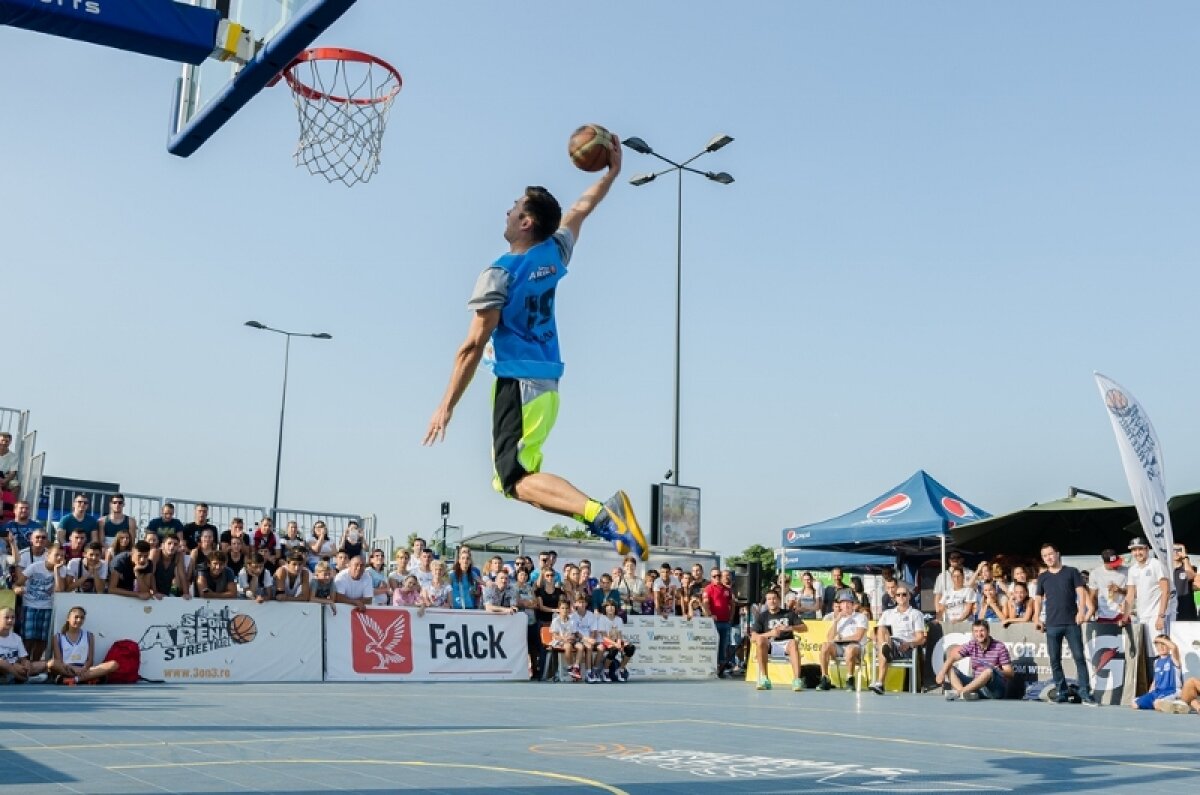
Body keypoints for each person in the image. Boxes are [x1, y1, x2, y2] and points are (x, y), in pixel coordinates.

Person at [422, 143, 651, 562]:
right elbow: (582, 210)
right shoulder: (554, 252)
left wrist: (445, 405)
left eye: (513, 208)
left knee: (513, 480)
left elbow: (472, 345)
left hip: (519, 383)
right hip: (545, 384)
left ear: (526, 221)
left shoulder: (499, 274)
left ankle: (604, 514)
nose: (506, 212)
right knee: (516, 482)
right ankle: (599, 519)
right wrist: (610, 175)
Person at [1034, 542, 1097, 706]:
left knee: (1079, 658)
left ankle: (1085, 693)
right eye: (1044, 556)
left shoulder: (1072, 572)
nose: (1048, 558)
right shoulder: (1043, 577)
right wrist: (1035, 617)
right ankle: (1061, 693)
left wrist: (1081, 611)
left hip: (1071, 623)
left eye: (1050, 554)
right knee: (1054, 660)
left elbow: (1081, 592)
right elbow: (1038, 599)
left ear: (1057, 554)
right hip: (1052, 624)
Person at [869, 582, 927, 695]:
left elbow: (921, 638)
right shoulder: (887, 613)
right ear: (895, 597)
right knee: (881, 631)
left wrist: (910, 644)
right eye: (898, 595)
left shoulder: (916, 614)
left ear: (909, 596)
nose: (901, 597)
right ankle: (880, 681)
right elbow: (873, 633)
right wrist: (876, 638)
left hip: (903, 646)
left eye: (904, 594)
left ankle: (880, 681)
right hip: (888, 642)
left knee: (882, 643)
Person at [936, 619, 1013, 701]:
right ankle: (965, 694)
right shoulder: (972, 644)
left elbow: (1010, 673)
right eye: (976, 631)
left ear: (988, 631)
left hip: (994, 690)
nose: (979, 634)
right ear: (973, 633)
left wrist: (999, 671)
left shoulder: (999, 646)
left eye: (982, 631)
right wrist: (941, 673)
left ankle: (960, 692)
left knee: (989, 671)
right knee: (949, 668)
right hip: (976, 687)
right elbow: (952, 658)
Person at [13, 542, 65, 663]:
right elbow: (18, 583)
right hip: (29, 605)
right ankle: (25, 664)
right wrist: (17, 589)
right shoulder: (35, 567)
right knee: (28, 638)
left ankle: (35, 665)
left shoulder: (62, 570)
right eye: (57, 555)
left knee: (42, 639)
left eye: (62, 556)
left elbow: (59, 590)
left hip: (47, 607)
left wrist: (57, 571)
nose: (59, 558)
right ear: (48, 555)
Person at [751, 589, 807, 692]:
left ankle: (796, 680)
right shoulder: (762, 616)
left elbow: (804, 627)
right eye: (769, 599)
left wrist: (789, 628)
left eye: (774, 599)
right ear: (766, 601)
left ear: (779, 600)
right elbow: (753, 637)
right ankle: (764, 679)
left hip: (786, 643)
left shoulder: (789, 613)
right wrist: (770, 634)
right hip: (770, 644)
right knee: (760, 640)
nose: (772, 601)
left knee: (794, 643)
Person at [48, 606, 119, 685]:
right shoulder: (58, 637)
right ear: (68, 618)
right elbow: (59, 660)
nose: (79, 620)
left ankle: (75, 680)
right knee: (51, 664)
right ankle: (87, 679)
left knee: (113, 664)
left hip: (85, 670)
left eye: (82, 618)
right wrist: (73, 668)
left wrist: (83, 668)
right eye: (76, 617)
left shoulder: (89, 635)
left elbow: (90, 660)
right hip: (67, 670)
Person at [816, 591, 869, 691]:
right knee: (825, 646)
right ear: (840, 605)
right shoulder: (839, 619)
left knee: (850, 648)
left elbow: (858, 636)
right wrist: (836, 621)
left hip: (856, 647)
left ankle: (850, 678)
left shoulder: (860, 617)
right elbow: (829, 638)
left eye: (848, 602)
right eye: (843, 603)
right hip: (839, 647)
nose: (846, 605)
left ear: (853, 604)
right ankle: (825, 678)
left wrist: (842, 639)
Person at [1123, 537, 1170, 636]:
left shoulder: (1156, 564)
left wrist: (1161, 616)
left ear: (1147, 549)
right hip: (1141, 616)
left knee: (1159, 649)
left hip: (1155, 615)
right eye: (1134, 550)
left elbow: (1165, 591)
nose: (1137, 553)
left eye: (1140, 549)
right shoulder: (1132, 569)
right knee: (1145, 650)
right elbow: (1130, 595)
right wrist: (1125, 616)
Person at [0, 606, 48, 683]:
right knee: (3, 664)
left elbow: (23, 659)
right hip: (3, 667)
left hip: (16, 667)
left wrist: (26, 665)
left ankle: (14, 677)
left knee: (43, 665)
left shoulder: (17, 638)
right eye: (6, 617)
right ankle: (25, 679)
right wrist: (12, 665)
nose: (10, 620)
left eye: (13, 617)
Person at [1134, 635, 1182, 711]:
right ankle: (1166, 704)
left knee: (1158, 703)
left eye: (1163, 644)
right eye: (1158, 645)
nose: (1161, 647)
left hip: (1171, 691)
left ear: (1168, 646)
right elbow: (1155, 680)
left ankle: (1177, 703)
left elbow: (1174, 647)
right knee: (1135, 703)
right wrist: (1149, 693)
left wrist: (1158, 639)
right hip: (1157, 692)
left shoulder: (1173, 658)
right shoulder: (1156, 662)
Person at [597, 600, 635, 682]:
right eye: (608, 606)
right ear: (605, 608)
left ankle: (620, 670)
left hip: (615, 641)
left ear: (615, 608)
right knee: (613, 648)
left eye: (612, 606)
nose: (610, 608)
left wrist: (619, 643)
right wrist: (615, 644)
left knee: (630, 648)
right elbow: (604, 637)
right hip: (605, 641)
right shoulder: (602, 619)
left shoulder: (619, 619)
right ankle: (605, 671)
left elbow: (619, 634)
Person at [567, 595, 600, 682]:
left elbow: (593, 631)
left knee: (589, 646)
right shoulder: (572, 616)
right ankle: (585, 671)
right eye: (579, 602)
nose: (581, 604)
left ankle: (589, 673)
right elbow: (576, 633)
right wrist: (586, 639)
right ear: (576, 604)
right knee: (588, 645)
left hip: (588, 639)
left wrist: (591, 639)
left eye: (583, 602)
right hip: (577, 639)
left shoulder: (591, 615)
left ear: (586, 603)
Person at [1089, 548, 1128, 624]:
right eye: (1113, 564)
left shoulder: (1127, 571)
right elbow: (1093, 596)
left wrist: (1120, 590)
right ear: (1105, 563)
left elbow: (1133, 592)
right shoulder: (1095, 573)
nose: (1116, 566)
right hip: (1103, 615)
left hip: (1122, 614)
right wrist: (1092, 613)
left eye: (1117, 562)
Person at [149, 534, 189, 598]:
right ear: (162, 545)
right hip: (149, 591)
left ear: (178, 547)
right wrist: (155, 593)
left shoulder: (179, 555)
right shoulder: (155, 553)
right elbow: (151, 574)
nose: (172, 546)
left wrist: (186, 593)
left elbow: (182, 576)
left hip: (166, 591)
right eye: (169, 543)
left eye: (175, 544)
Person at [1172, 543, 1199, 622]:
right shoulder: (1166, 569)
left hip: (1187, 610)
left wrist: (1185, 557)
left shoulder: (1189, 567)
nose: (1176, 552)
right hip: (1172, 608)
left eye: (1179, 550)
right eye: (1173, 550)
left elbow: (1190, 576)